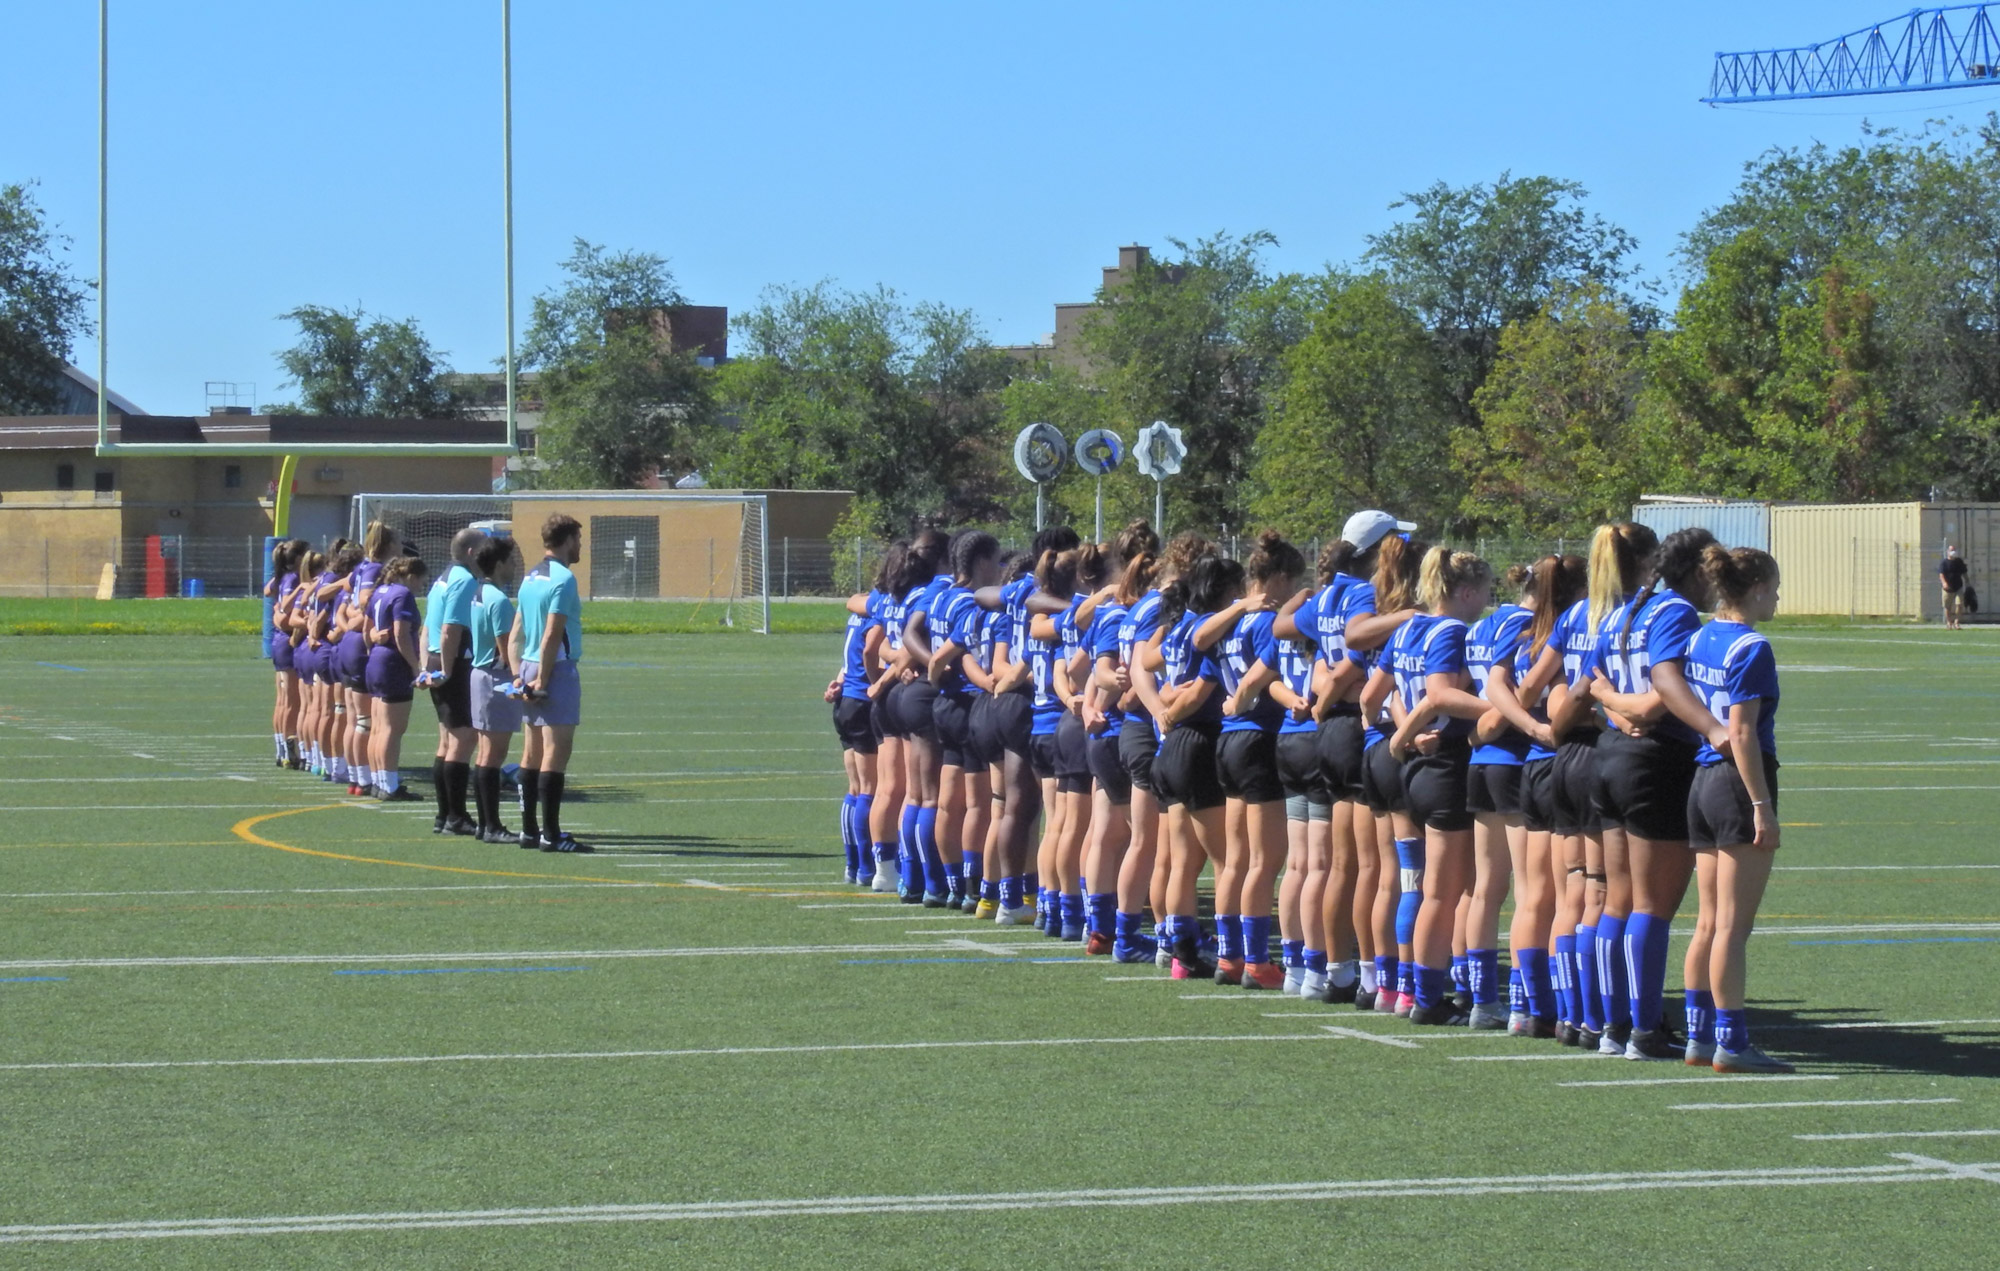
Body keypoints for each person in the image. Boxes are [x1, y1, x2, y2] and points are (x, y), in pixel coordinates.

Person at [1588, 526, 1719, 1061]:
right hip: (1656, 762)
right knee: (1652, 907)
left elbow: (1594, 683)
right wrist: (1636, 710)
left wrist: (1618, 710)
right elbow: (1660, 693)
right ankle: (1645, 1031)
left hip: (1611, 755)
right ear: (1697, 570)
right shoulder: (1676, 612)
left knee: (1617, 901)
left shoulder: (1623, 611)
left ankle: (1613, 1025)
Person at [1674, 544, 1790, 1073]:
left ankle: (1699, 1037)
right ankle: (1732, 1042)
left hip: (1702, 781)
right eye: (1775, 588)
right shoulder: (1751, 646)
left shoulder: (1701, 636)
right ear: (1758, 588)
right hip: (1737, 781)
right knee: (1732, 928)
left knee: (1707, 922)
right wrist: (1761, 804)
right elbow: (1741, 733)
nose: (1778, 598)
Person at [1384, 547, 1494, 1027]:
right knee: (1443, 893)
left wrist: (1405, 731)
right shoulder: (1450, 630)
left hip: (1416, 766)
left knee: (1437, 886)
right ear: (1466, 592)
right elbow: (1440, 694)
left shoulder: (1408, 628)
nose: (1487, 602)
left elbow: (1380, 693)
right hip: (1444, 765)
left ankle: (1425, 987)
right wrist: (1503, 710)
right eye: (1485, 592)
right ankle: (1428, 998)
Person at [1195, 530, 1305, 990]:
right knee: (1265, 859)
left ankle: (1230, 956)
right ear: (1277, 578)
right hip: (1258, 736)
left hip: (1229, 741)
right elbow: (1269, 676)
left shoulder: (1229, 621)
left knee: (1236, 859)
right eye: (1292, 582)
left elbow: (1201, 645)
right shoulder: (1266, 622)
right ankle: (1257, 960)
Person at [511, 514, 588, 853]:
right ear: (567, 540)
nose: (580, 546)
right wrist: (543, 677)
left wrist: (519, 674)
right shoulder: (563, 578)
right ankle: (551, 834)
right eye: (578, 539)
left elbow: (517, 632)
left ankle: (529, 830)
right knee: (556, 752)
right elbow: (552, 633)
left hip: (528, 665)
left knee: (531, 752)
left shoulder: (529, 578)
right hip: (554, 668)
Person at [827, 559, 888, 886]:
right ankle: (866, 867)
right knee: (870, 788)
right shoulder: (881, 608)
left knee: (855, 788)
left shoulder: (862, 607)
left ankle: (853, 865)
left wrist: (839, 681)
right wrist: (877, 682)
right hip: (862, 701)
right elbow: (869, 652)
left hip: (845, 701)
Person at [424, 527, 486, 836]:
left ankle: (444, 814)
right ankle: (456, 816)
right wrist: (448, 670)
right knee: (463, 739)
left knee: (447, 741)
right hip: (454, 662)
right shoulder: (464, 580)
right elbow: (450, 629)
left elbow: (427, 627)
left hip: (437, 659)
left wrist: (427, 665)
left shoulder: (443, 578)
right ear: (472, 553)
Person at [468, 536, 522, 844]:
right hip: (494, 677)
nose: (514, 566)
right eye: (511, 561)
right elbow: (507, 648)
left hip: (481, 674)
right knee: (493, 754)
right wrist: (519, 679)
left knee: (486, 753)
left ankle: (484, 824)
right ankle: (491, 825)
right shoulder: (498, 600)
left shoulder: (480, 592)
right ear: (499, 564)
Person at [364, 554, 428, 801]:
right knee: (392, 729)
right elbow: (401, 634)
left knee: (378, 727)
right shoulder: (402, 594)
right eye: (420, 581)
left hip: (376, 660)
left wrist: (372, 648)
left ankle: (378, 781)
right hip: (393, 664)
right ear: (410, 576)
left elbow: (367, 630)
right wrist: (415, 667)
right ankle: (389, 785)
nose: (420, 586)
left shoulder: (380, 590)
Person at [264, 539, 307, 769]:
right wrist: (299, 590)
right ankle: (288, 749)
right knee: (291, 700)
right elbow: (285, 608)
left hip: (279, 641)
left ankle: (281, 749)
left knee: (283, 700)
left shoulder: (283, 577)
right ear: (298, 558)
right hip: (287, 641)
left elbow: (268, 589)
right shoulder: (293, 579)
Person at [1940, 545, 1969, 630]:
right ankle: (1949, 623)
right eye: (1951, 550)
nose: (1953, 552)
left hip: (1958, 587)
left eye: (1954, 550)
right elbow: (1941, 574)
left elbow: (1964, 572)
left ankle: (1957, 623)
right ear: (1948, 552)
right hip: (1948, 588)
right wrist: (1944, 583)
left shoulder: (1959, 561)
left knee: (1959, 604)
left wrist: (1967, 581)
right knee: (1947, 606)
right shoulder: (1944, 562)